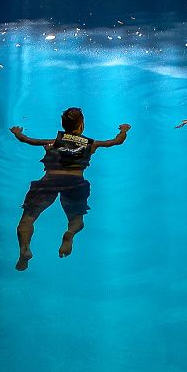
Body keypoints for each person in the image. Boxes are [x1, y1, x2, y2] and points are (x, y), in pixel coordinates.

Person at [8, 108, 128, 271]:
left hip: (49, 181)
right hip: (75, 183)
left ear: (63, 125)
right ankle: (70, 233)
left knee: (27, 219)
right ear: (82, 125)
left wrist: (17, 133)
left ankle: (24, 249)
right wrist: (123, 130)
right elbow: (116, 141)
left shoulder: (52, 142)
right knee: (76, 220)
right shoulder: (92, 144)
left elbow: (26, 140)